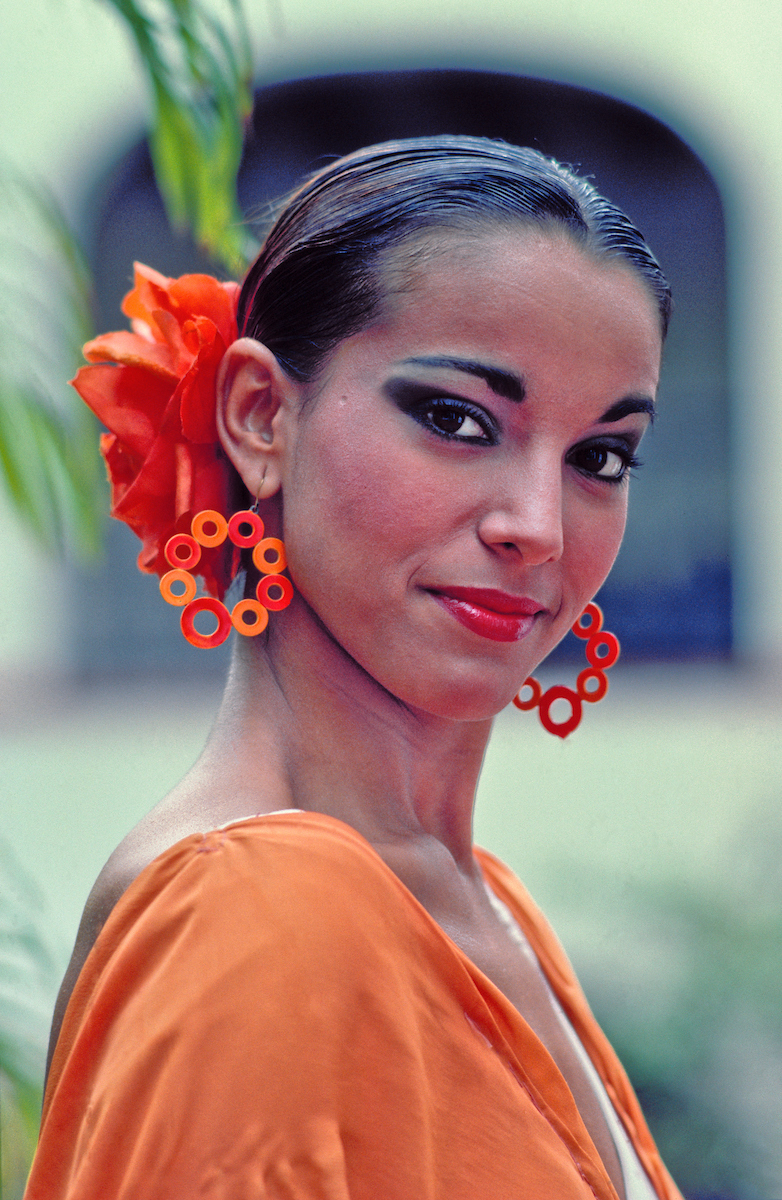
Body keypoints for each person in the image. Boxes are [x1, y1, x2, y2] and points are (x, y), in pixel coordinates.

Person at [25, 135, 682, 1200]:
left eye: (598, 457)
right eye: (455, 419)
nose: (539, 528)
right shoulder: (261, 908)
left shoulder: (479, 902)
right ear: (258, 416)